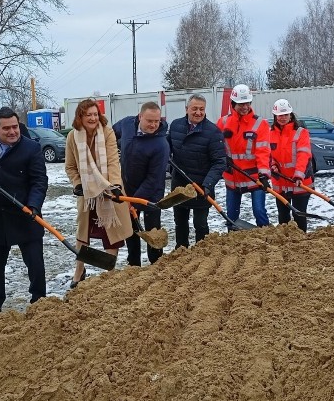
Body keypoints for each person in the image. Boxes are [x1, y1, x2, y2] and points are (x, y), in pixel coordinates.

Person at [0, 107, 48, 313]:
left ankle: (39, 301)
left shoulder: (31, 148)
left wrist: (34, 205)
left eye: (15, 126)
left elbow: (39, 180)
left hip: (25, 212)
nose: (12, 132)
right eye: (7, 128)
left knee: (35, 262)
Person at [65, 99, 133, 287]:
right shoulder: (72, 137)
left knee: (112, 232)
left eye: (96, 114)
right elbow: (70, 166)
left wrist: (116, 185)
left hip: (109, 189)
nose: (93, 118)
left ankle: (108, 272)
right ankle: (79, 270)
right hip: (87, 194)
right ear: (80, 116)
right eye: (89, 115)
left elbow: (112, 160)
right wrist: (77, 183)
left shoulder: (107, 133)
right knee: (83, 233)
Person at [113, 102, 170, 266]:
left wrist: (135, 201)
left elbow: (153, 179)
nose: (153, 125)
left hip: (151, 195)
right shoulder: (126, 125)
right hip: (128, 190)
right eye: (149, 121)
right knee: (131, 232)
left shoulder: (161, 145)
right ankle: (134, 265)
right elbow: (111, 134)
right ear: (140, 117)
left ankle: (156, 264)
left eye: (156, 121)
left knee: (153, 233)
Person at [168, 94, 226, 248]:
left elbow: (220, 162)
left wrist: (208, 185)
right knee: (180, 223)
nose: (198, 112)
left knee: (200, 224)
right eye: (194, 109)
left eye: (202, 109)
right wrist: (169, 168)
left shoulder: (213, 132)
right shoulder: (175, 126)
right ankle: (182, 251)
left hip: (201, 186)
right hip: (179, 186)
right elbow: (166, 151)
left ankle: (202, 253)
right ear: (187, 109)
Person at [217, 84, 271, 228]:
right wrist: (222, 158)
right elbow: (215, 146)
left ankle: (267, 237)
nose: (245, 107)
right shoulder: (223, 122)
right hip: (232, 176)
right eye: (241, 104)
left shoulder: (260, 124)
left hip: (254, 177)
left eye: (247, 103)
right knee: (231, 216)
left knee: (259, 210)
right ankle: (232, 242)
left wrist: (264, 173)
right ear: (233, 104)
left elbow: (263, 151)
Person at [268, 99, 313, 232]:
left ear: (291, 115)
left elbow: (303, 155)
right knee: (283, 217)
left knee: (299, 215)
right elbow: (268, 155)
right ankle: (284, 242)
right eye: (280, 115)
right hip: (280, 182)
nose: (283, 118)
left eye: (286, 115)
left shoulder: (301, 132)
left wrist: (299, 174)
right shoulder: (270, 134)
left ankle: (301, 242)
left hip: (300, 182)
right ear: (275, 116)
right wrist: (273, 165)